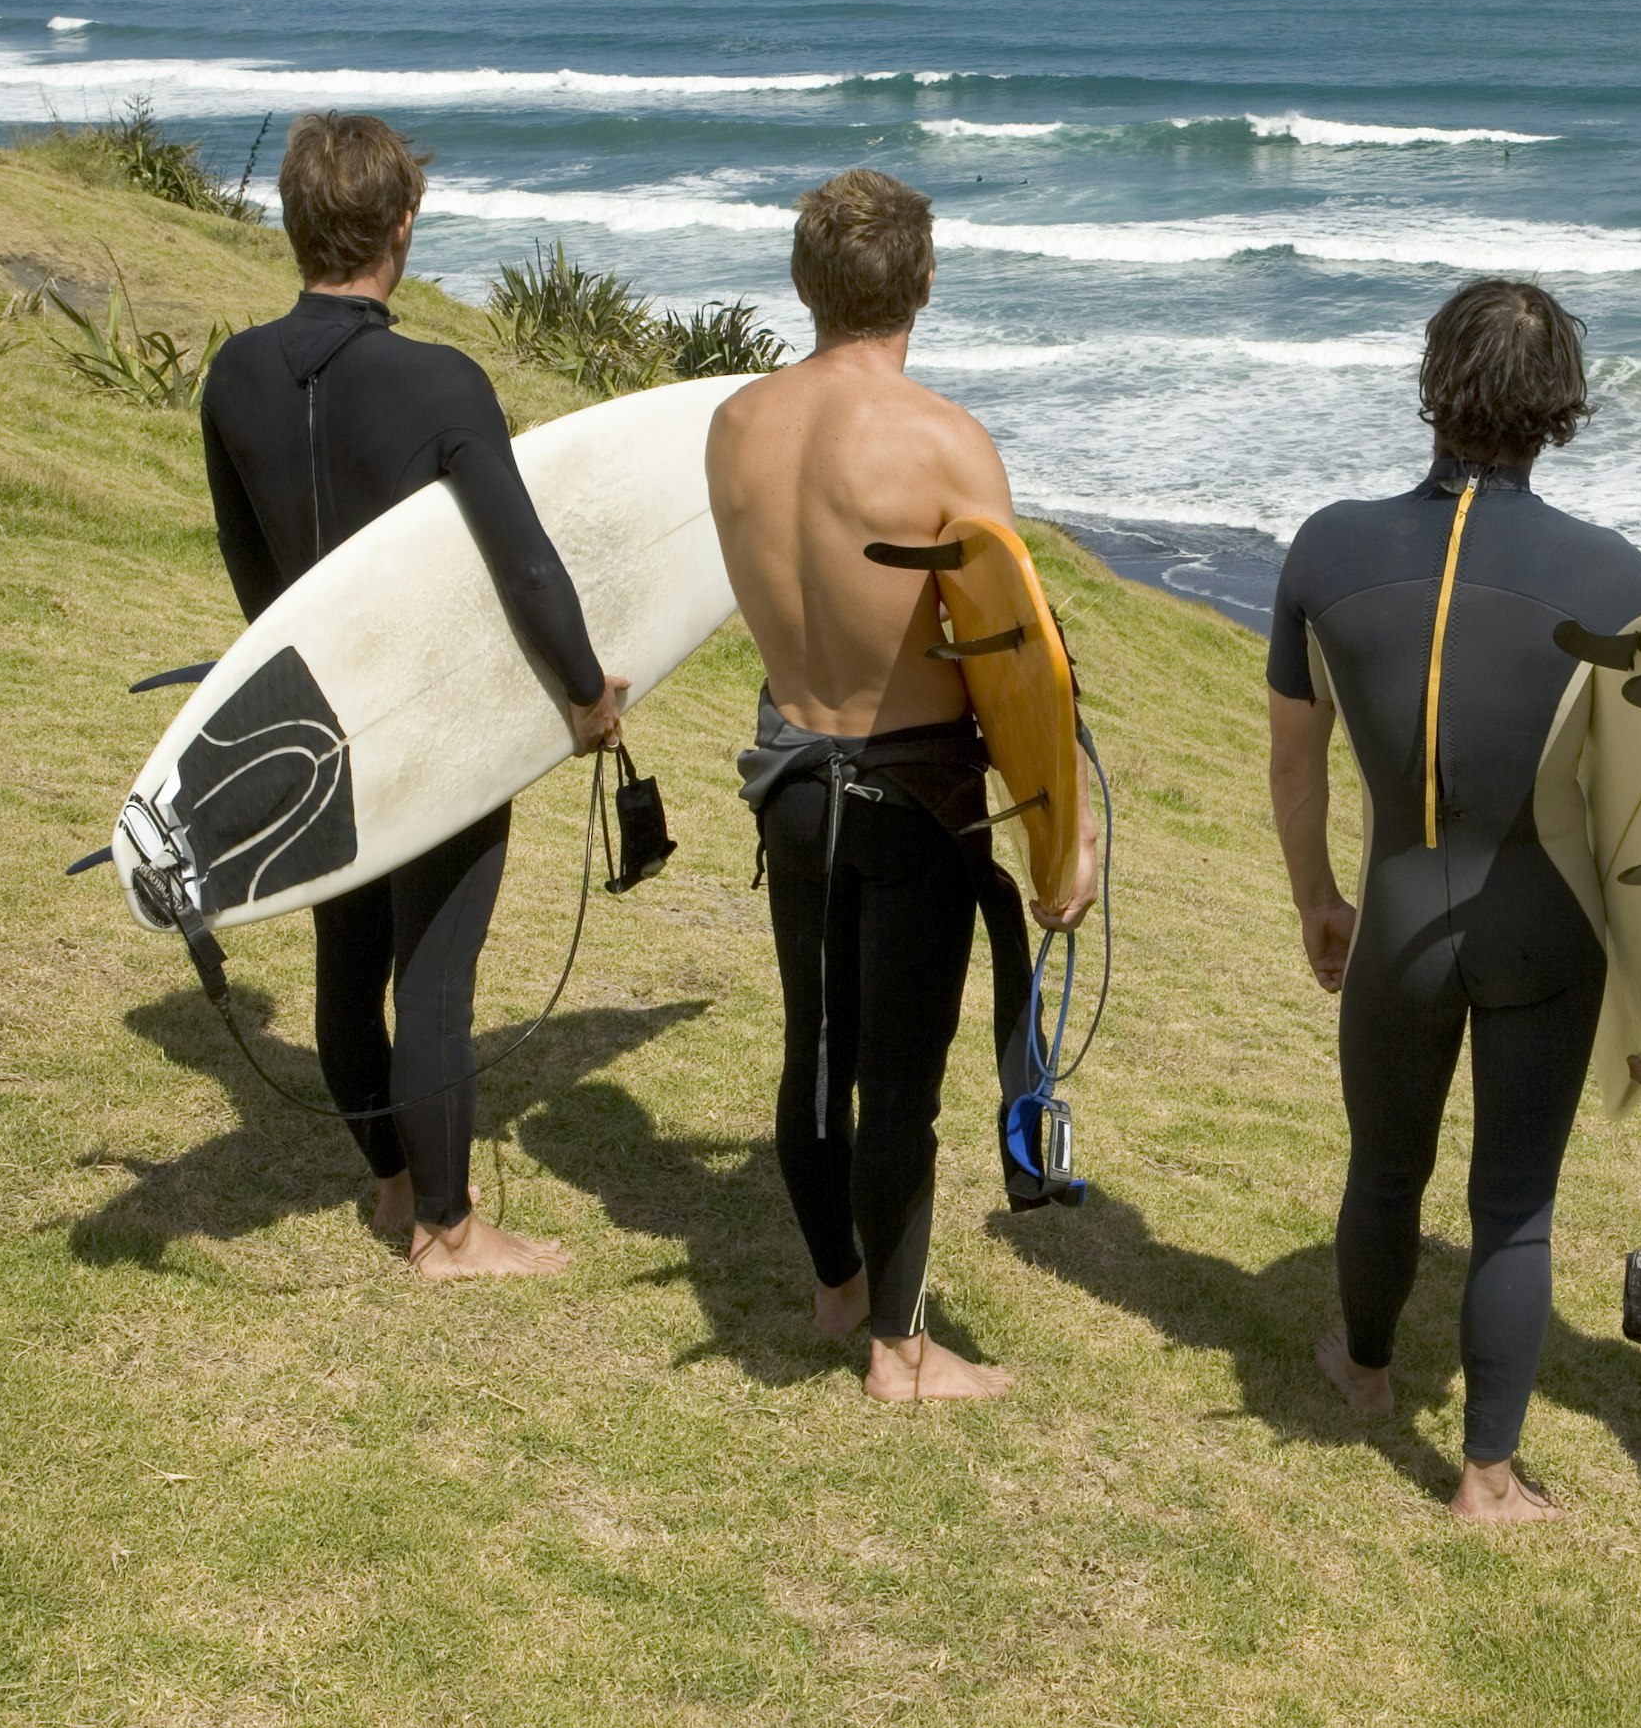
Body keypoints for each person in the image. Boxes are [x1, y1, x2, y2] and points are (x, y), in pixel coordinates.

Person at [196, 111, 624, 1280]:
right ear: (403, 225)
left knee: (347, 942)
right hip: (436, 719)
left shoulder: (233, 377)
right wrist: (587, 693)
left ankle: (392, 1183)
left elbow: (254, 577)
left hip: (319, 716)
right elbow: (528, 562)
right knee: (434, 968)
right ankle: (447, 1227)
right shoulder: (440, 382)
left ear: (292, 224)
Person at [1267, 279, 1641, 1521]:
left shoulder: (1328, 548)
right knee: (1515, 1204)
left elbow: (1297, 757)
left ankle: (1367, 1371)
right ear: (1560, 408)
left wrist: (1319, 899)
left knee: (1385, 1169)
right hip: (1547, 930)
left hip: (1394, 915)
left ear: (1435, 381)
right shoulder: (1616, 577)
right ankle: (1487, 1476)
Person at [705, 168, 1093, 1405]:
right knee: (902, 1089)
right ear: (922, 282)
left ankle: (835, 1286)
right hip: (916, 795)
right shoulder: (941, 439)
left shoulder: (736, 426)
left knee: (815, 1050)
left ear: (804, 284)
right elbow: (1012, 655)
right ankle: (901, 1351)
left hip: (794, 781)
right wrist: (1059, 836)